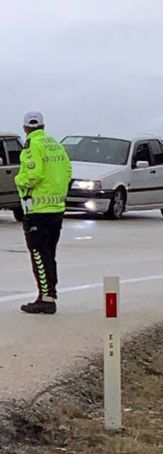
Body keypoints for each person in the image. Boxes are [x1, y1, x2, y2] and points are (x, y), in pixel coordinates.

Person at [14, 111, 72, 314]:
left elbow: (33, 174)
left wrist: (20, 182)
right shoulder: (55, 144)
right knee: (49, 253)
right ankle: (48, 294)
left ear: (25, 128)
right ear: (43, 126)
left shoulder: (31, 146)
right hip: (56, 208)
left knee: (38, 253)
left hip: (37, 208)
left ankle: (46, 298)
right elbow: (67, 171)